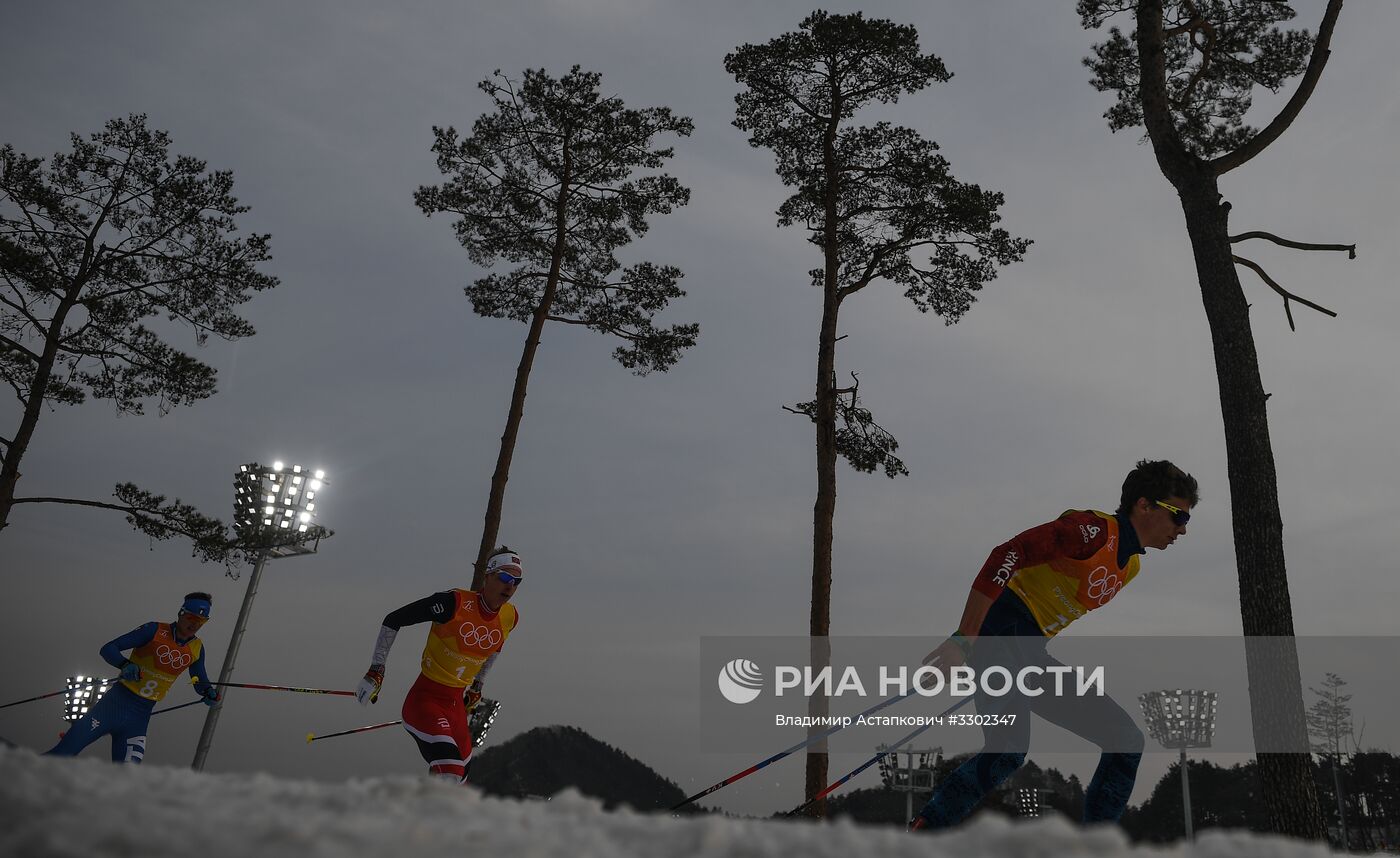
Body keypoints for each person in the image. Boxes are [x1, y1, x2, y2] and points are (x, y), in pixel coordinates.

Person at [911, 459, 1198, 830]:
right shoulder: (1093, 531)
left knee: (1126, 740)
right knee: (1008, 751)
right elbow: (1008, 553)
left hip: (1030, 655)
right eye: (1180, 517)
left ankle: (1096, 848)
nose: (1183, 530)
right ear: (1144, 505)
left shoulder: (1131, 568)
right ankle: (923, 833)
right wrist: (964, 638)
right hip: (998, 638)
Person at [355, 547, 523, 783]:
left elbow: (495, 649)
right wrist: (376, 669)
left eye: (517, 581)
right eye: (505, 577)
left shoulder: (509, 617)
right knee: (451, 773)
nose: (510, 586)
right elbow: (393, 620)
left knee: (460, 781)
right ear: (488, 576)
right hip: (425, 702)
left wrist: (477, 686)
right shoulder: (453, 603)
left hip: (455, 707)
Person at [46, 592, 220, 763]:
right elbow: (108, 648)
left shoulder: (197, 648)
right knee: (63, 754)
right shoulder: (154, 630)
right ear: (181, 613)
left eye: (201, 620)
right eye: (191, 617)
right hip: (112, 706)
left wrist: (208, 692)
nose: (195, 624)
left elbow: (199, 679)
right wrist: (124, 664)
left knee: (128, 776)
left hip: (139, 717)